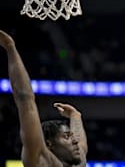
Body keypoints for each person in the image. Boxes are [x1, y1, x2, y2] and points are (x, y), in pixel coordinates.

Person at [0, 29, 88, 167]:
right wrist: (10, 47)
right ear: (49, 144)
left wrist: (75, 116)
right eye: (66, 137)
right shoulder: (42, 161)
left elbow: (81, 144)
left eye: (71, 137)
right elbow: (25, 99)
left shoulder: (78, 162)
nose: (75, 141)